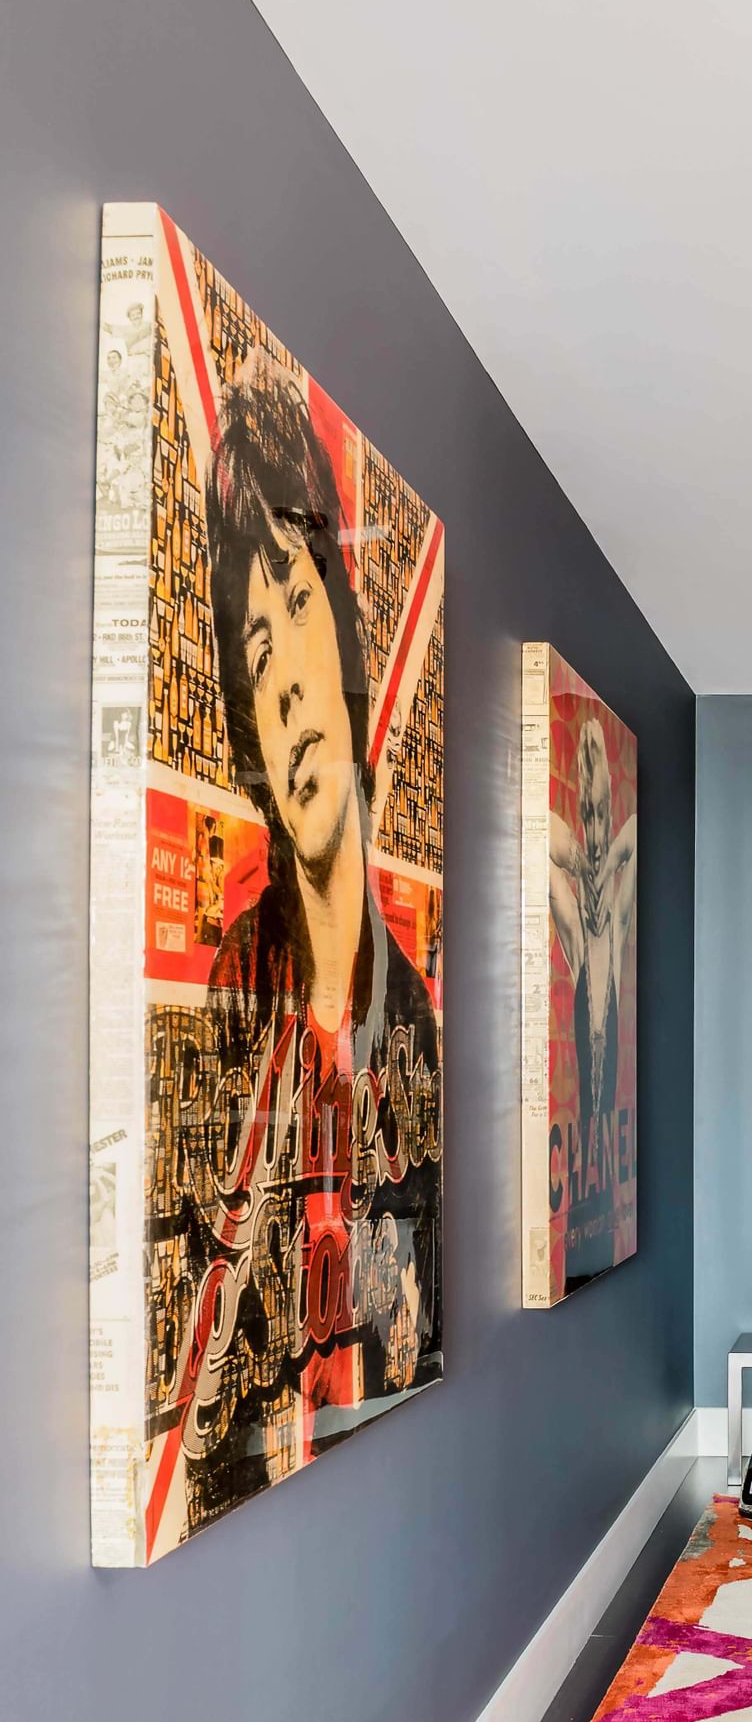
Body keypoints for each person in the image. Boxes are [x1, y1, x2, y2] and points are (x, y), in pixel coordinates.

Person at [183, 360, 441, 1520]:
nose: (287, 685)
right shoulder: (236, 998)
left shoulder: (418, 1020)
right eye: (253, 647)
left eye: (298, 608)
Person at [548, 715, 635, 1286]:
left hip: (603, 1162)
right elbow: (545, 836)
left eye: (603, 811)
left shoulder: (620, 912)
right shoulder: (577, 929)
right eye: (590, 813)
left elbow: (630, 840)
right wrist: (583, 863)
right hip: (583, 1178)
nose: (599, 825)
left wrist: (603, 864)